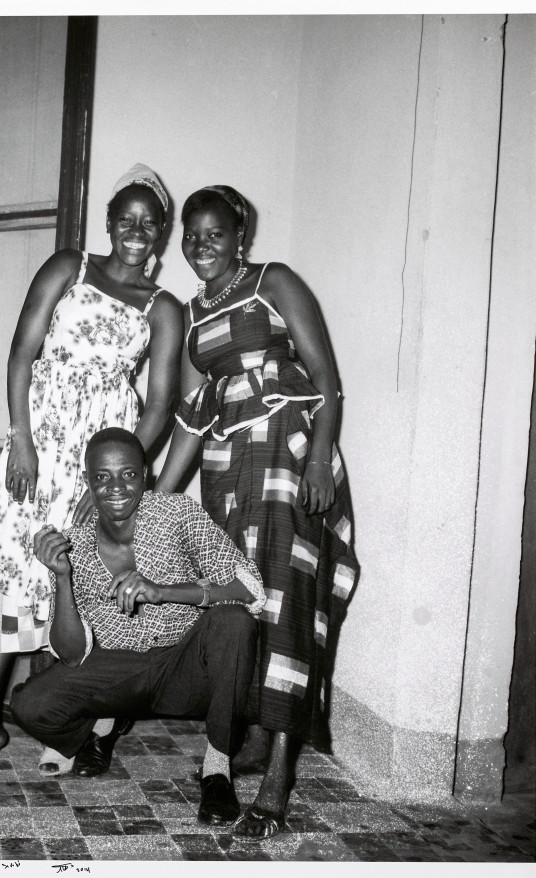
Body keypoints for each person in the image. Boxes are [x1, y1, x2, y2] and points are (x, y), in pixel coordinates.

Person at [0, 165, 182, 775]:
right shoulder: (70, 266)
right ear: (110, 222)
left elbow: (162, 405)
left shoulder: (163, 307)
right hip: (40, 439)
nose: (136, 231)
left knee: (74, 580)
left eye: (149, 223)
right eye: (126, 219)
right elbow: (21, 352)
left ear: (161, 231)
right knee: (17, 572)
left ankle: (52, 722)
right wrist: (21, 442)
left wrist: (114, 481)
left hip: (102, 457)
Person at [156, 185, 359, 839]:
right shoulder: (191, 314)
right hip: (226, 475)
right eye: (191, 235)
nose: (200, 245)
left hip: (284, 457)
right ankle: (247, 737)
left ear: (240, 235)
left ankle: (278, 778)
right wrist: (160, 499)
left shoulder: (275, 281)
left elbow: (325, 377)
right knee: (242, 603)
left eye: (213, 233)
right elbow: (191, 417)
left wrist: (322, 457)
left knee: (287, 603)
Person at [10, 428, 265, 826]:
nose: (115, 487)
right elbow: (73, 653)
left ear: (144, 475)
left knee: (233, 622)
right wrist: (62, 577)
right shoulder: (72, 544)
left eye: (127, 474)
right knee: (29, 706)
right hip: (120, 670)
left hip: (185, 665)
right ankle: (107, 721)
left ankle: (217, 770)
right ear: (88, 481)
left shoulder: (177, 513)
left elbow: (249, 588)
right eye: (102, 477)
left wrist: (163, 591)